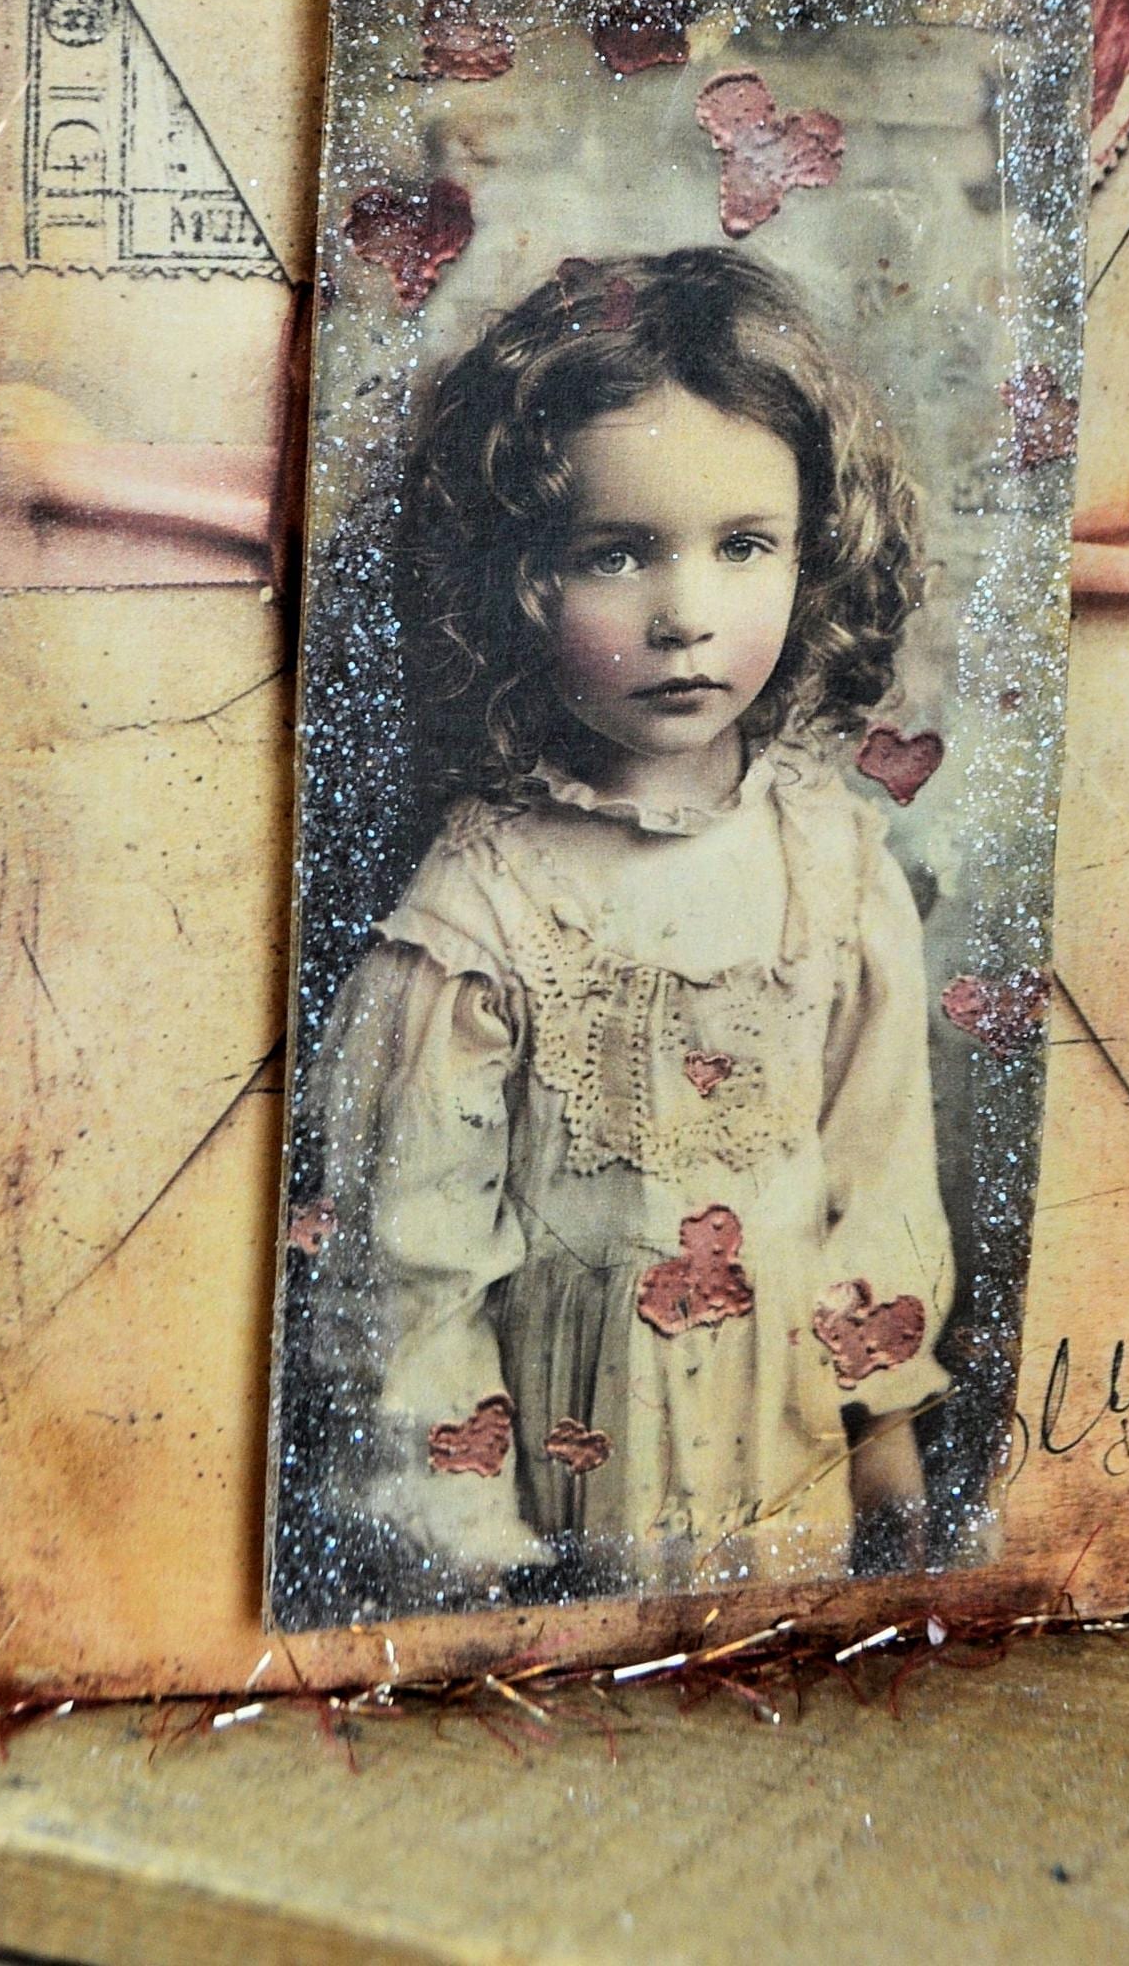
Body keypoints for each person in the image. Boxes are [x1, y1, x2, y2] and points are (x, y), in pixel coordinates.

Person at [298, 245, 954, 1598]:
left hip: (786, 1471)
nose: (685, 618)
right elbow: (410, 1287)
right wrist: (476, 1562)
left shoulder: (834, 870)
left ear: (812, 553)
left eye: (743, 546)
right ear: (516, 578)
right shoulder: (478, 916)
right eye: (616, 554)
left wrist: (884, 1436)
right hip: (566, 1494)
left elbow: (877, 1190)